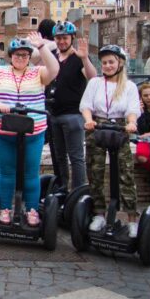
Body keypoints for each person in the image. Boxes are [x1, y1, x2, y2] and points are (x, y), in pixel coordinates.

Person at [0, 32, 59, 226]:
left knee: (31, 173)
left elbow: (54, 70)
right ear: (10, 55)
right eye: (17, 55)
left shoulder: (38, 72)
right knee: (6, 172)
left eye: (25, 55)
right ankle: (5, 208)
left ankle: (32, 209)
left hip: (33, 131)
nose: (21, 58)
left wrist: (41, 47)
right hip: (4, 130)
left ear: (29, 57)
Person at [80, 45, 142, 237]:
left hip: (120, 127)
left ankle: (132, 218)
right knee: (95, 171)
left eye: (111, 62)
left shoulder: (129, 86)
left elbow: (132, 109)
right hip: (97, 127)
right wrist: (89, 120)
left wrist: (132, 123)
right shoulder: (95, 83)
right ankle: (99, 214)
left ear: (120, 63)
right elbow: (86, 105)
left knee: (126, 173)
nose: (107, 66)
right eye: (104, 62)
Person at [46, 21, 97, 190]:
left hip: (73, 114)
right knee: (59, 156)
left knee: (76, 157)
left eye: (65, 38)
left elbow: (92, 77)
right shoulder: (52, 56)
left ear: (72, 38)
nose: (61, 42)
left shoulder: (79, 57)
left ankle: (78, 192)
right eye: (58, 38)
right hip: (53, 113)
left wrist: (84, 58)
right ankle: (62, 188)